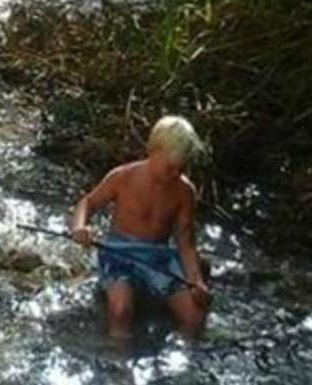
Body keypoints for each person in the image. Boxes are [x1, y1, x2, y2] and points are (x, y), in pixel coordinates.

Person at [69, 115, 211, 338]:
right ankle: (118, 354)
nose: (175, 174)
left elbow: (185, 241)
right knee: (121, 309)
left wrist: (196, 280)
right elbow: (88, 203)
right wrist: (79, 227)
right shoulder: (123, 177)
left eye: (181, 169)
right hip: (119, 253)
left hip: (158, 257)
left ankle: (186, 355)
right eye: (170, 167)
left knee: (195, 317)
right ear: (153, 151)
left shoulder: (184, 191)